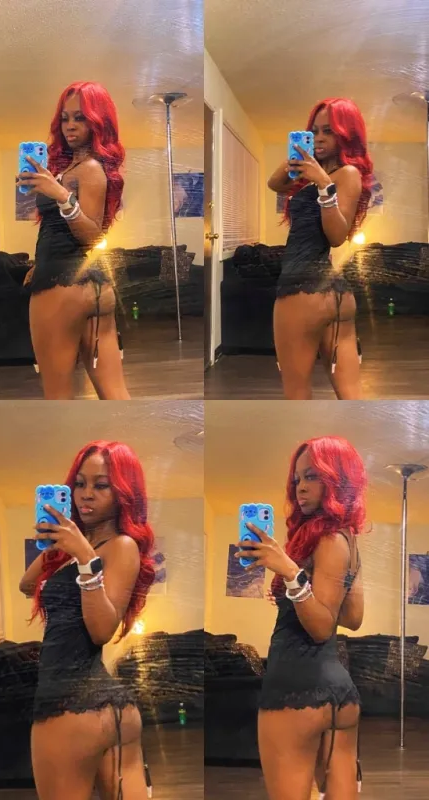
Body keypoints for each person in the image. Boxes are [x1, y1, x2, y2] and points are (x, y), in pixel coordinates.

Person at [19, 441, 155, 800]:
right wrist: (54, 545)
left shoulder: (121, 546)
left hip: (68, 706)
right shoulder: (77, 550)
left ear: (124, 494)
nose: (86, 494)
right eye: (79, 484)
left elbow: (101, 631)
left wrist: (83, 556)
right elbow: (26, 585)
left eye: (101, 485)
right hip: (109, 709)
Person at [236, 436, 366, 800]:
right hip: (341, 695)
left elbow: (322, 627)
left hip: (294, 689)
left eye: (312, 476)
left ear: (338, 479)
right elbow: (353, 617)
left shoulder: (327, 540)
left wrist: (291, 573)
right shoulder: (347, 541)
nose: (300, 487)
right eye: (297, 479)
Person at [17, 81, 129, 400]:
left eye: (80, 118)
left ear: (98, 122)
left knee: (58, 397)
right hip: (95, 290)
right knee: (115, 393)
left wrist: (62, 196)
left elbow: (93, 236)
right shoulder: (75, 168)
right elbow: (58, 232)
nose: (69, 126)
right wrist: (39, 264)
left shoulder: (89, 168)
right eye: (65, 118)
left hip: (61, 289)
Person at [268, 98, 373, 400]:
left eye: (329, 131)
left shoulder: (346, 174)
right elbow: (274, 184)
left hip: (301, 290)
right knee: (351, 393)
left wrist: (326, 187)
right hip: (335, 296)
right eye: (314, 131)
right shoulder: (313, 176)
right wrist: (297, 155)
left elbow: (337, 236)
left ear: (346, 136)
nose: (320, 138)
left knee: (297, 394)